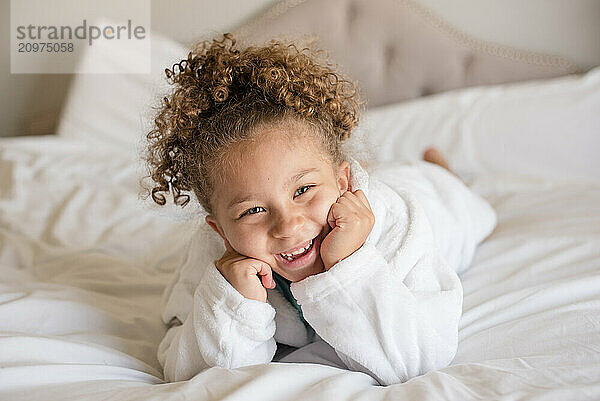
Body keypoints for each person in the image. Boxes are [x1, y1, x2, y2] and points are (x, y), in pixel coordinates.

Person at [143, 33, 497, 385]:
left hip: (426, 198)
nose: (287, 225)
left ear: (343, 182)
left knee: (454, 200)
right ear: (218, 229)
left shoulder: (397, 221)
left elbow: (415, 360)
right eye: (252, 210)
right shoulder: (214, 258)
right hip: (343, 189)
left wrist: (349, 264)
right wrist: (235, 305)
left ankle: (440, 170)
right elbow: (190, 374)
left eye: (303, 189)